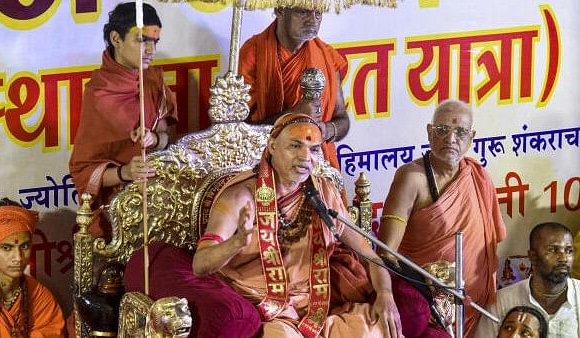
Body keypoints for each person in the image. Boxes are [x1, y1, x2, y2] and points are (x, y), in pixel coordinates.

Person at [192, 113, 400, 337]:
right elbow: (200, 264)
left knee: (379, 330)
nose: (305, 157)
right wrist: (235, 243)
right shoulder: (240, 197)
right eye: (295, 146)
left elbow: (370, 255)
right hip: (267, 311)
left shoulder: (323, 193)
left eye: (314, 149)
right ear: (272, 146)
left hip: (317, 308)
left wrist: (385, 294)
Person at [377, 99, 506, 337]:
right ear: (429, 132)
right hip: (428, 307)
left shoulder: (478, 176)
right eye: (442, 130)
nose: (451, 138)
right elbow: (386, 253)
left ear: (472, 137)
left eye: (460, 131)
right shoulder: (412, 177)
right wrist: (432, 286)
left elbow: (489, 245)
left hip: (473, 306)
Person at [69, 2, 178, 240]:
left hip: (162, 200)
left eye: (155, 42)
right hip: (118, 210)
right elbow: (82, 171)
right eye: (141, 40)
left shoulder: (153, 80)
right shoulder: (98, 94)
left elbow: (167, 140)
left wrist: (155, 138)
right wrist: (125, 172)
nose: (151, 50)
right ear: (116, 38)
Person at [238, 5, 350, 170]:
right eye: (303, 12)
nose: (313, 21)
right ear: (281, 10)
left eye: (318, 13)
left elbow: (342, 120)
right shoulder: (254, 53)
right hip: (269, 167)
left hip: (317, 166)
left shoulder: (326, 56)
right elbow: (239, 132)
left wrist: (326, 130)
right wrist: (293, 115)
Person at [475, 222, 580, 337]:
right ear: (533, 257)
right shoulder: (502, 301)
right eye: (553, 250)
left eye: (569, 251)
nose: (563, 258)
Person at [0, 198, 65, 337]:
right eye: (7, 248)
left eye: (24, 246)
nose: (18, 258)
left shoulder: (39, 297)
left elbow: (52, 331)